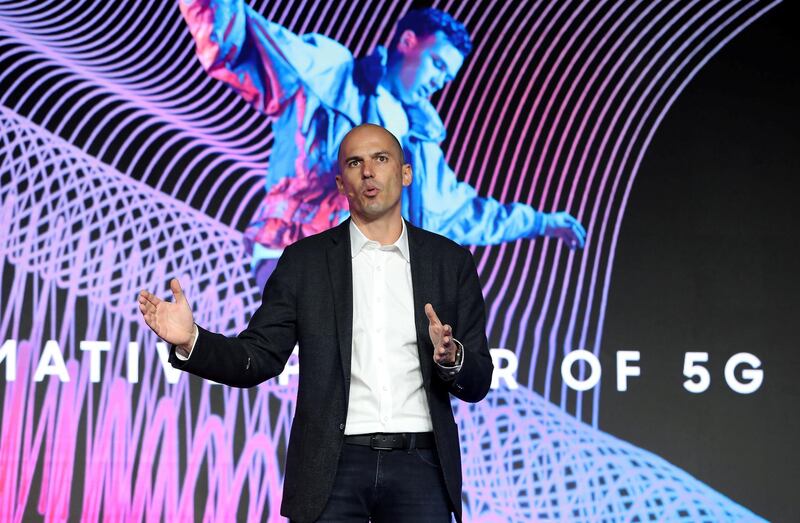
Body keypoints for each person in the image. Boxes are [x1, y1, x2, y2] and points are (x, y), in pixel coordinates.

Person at [138, 124, 494, 522]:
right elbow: (258, 357)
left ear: (405, 173)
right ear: (342, 183)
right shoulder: (304, 262)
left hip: (421, 467)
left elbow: (478, 380)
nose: (369, 172)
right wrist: (192, 340)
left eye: (381, 159)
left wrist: (452, 358)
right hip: (331, 468)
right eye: (355, 163)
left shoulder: (450, 262)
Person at [179, 1, 586, 283]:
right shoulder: (334, 73)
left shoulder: (420, 143)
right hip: (296, 252)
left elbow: (465, 212)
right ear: (408, 42)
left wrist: (541, 222)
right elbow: (248, 41)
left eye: (447, 77)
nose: (437, 81)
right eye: (437, 64)